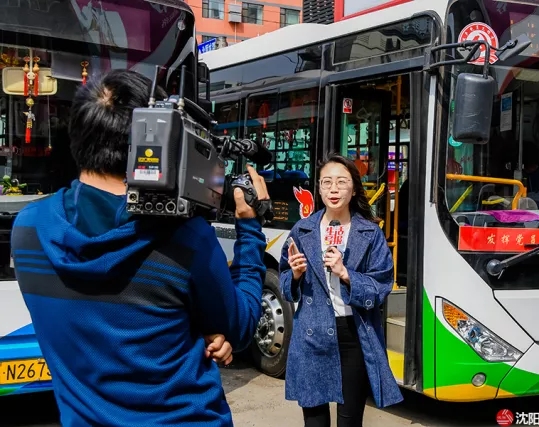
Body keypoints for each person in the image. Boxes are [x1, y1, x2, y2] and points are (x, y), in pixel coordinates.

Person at [10, 69, 270, 426]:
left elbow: (106, 320)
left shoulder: (29, 229)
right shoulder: (185, 238)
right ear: (160, 137)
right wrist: (250, 227)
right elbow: (240, 328)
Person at [279, 153, 403, 427]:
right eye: (326, 182)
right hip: (311, 334)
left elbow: (381, 286)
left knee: (350, 421)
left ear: (354, 188)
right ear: (319, 189)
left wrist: (346, 274)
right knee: (314, 421)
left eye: (341, 182)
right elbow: (284, 284)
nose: (333, 189)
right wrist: (296, 275)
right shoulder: (302, 230)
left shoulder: (370, 233)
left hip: (353, 335)